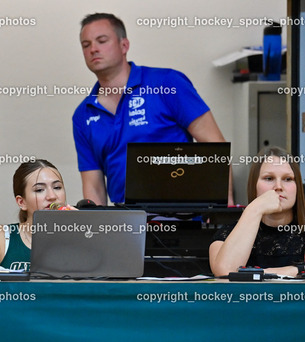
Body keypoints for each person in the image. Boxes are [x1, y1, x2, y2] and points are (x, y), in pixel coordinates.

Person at [73, 13, 228, 205]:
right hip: (125, 219)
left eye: (102, 41)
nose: (93, 49)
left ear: (124, 45)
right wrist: (97, 223)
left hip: (183, 216)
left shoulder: (167, 83)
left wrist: (221, 212)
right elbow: (93, 186)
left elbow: (215, 147)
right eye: (86, 45)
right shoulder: (83, 115)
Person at [209, 147, 305, 277]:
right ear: (254, 186)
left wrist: (263, 273)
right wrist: (254, 209)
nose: (278, 186)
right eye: (269, 178)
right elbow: (225, 272)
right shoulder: (227, 234)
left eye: (288, 179)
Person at [0, 160, 72, 271]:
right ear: (22, 202)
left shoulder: (77, 234)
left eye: (57, 187)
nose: (52, 196)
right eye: (39, 190)